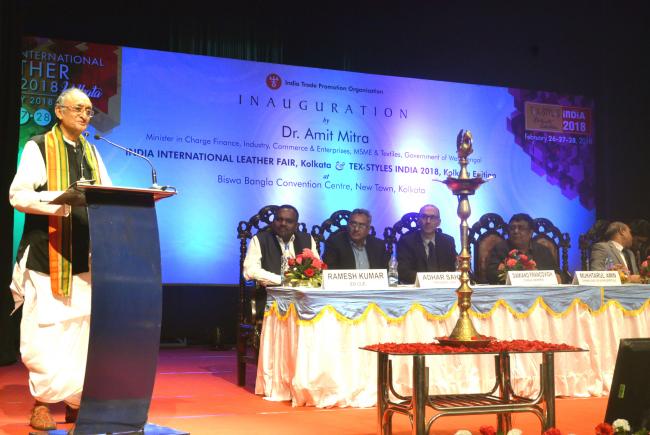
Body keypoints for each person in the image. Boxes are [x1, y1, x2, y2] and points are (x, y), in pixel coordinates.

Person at [9, 87, 111, 431]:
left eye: (89, 110)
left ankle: (76, 402)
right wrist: (62, 199)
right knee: (46, 332)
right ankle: (41, 403)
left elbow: (107, 193)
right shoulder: (38, 146)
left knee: (80, 331)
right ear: (59, 111)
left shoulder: (92, 152)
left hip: (83, 256)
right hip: (46, 253)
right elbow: (18, 196)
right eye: (78, 108)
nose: (85, 115)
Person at [243, 204, 319, 287]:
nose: (283, 223)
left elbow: (318, 268)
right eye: (279, 219)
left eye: (289, 221)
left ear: (296, 225)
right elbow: (250, 271)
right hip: (269, 293)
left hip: (302, 293)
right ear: (273, 222)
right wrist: (284, 280)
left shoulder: (307, 239)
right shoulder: (259, 239)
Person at [486, 213, 560, 284]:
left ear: (530, 233)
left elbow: (558, 274)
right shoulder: (500, 249)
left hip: (540, 290)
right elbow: (491, 275)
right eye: (512, 228)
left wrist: (556, 277)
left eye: (521, 228)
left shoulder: (542, 250)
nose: (516, 231)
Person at [396, 204, 457, 284]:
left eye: (433, 217)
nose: (428, 221)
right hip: (417, 288)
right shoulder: (406, 241)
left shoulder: (448, 241)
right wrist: (429, 280)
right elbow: (404, 272)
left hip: (444, 287)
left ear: (438, 222)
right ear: (418, 220)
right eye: (424, 217)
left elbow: (453, 269)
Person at [322, 208, 389, 270]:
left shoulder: (379, 245)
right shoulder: (334, 243)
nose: (356, 229)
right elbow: (330, 271)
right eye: (353, 224)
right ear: (348, 225)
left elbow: (384, 272)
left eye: (361, 225)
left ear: (368, 229)